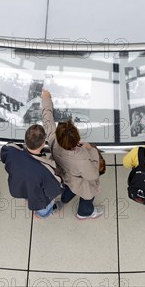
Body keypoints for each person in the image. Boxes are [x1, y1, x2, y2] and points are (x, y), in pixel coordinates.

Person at [41, 89, 104, 220]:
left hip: (66, 178)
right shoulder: (82, 159)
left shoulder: (53, 141)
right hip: (81, 184)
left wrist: (46, 99)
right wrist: (91, 149)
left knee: (68, 190)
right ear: (77, 141)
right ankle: (84, 212)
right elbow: (93, 174)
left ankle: (64, 200)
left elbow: (47, 119)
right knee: (87, 198)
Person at [1, 125, 63, 219]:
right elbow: (54, 191)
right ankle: (43, 214)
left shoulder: (11, 150)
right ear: (43, 144)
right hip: (38, 199)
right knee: (44, 210)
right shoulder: (47, 171)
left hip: (20, 188)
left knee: (28, 195)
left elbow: (4, 155)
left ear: (25, 140)